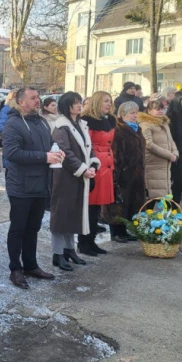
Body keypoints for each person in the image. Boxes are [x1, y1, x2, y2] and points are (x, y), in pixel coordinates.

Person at [4, 87, 60, 288]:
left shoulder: (42, 122)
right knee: (18, 229)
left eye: (38, 97)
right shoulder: (14, 124)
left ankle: (30, 264)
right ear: (21, 102)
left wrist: (56, 152)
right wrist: (44, 157)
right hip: (20, 186)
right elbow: (12, 153)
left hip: (40, 184)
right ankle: (15, 269)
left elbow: (51, 145)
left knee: (33, 228)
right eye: (33, 98)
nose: (38, 101)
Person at [51, 91, 100, 265]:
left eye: (80, 102)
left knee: (74, 213)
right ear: (66, 106)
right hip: (65, 177)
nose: (79, 105)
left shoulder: (80, 123)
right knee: (61, 215)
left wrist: (93, 165)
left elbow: (89, 148)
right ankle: (57, 254)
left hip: (79, 176)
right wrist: (83, 169)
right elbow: (65, 152)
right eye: (75, 103)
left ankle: (69, 250)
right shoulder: (61, 126)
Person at [79, 91, 116, 255]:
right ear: (97, 102)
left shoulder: (109, 120)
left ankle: (91, 241)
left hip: (106, 165)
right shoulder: (87, 121)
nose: (109, 104)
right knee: (89, 207)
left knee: (96, 208)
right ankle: (84, 242)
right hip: (94, 165)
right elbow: (86, 146)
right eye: (105, 101)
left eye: (110, 101)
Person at [103, 101, 146, 243]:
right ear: (122, 114)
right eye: (132, 113)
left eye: (136, 112)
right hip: (122, 173)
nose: (135, 115)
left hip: (135, 172)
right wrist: (117, 173)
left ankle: (124, 230)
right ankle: (116, 232)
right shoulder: (119, 129)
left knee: (130, 202)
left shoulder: (137, 129)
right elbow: (115, 152)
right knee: (117, 203)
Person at [138, 100, 178, 198]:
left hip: (165, 162)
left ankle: (167, 212)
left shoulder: (164, 123)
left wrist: (175, 153)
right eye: (157, 109)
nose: (160, 111)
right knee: (154, 192)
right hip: (153, 163)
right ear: (149, 111)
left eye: (162, 109)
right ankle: (150, 212)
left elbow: (171, 140)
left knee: (164, 191)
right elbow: (148, 144)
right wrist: (169, 155)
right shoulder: (145, 125)